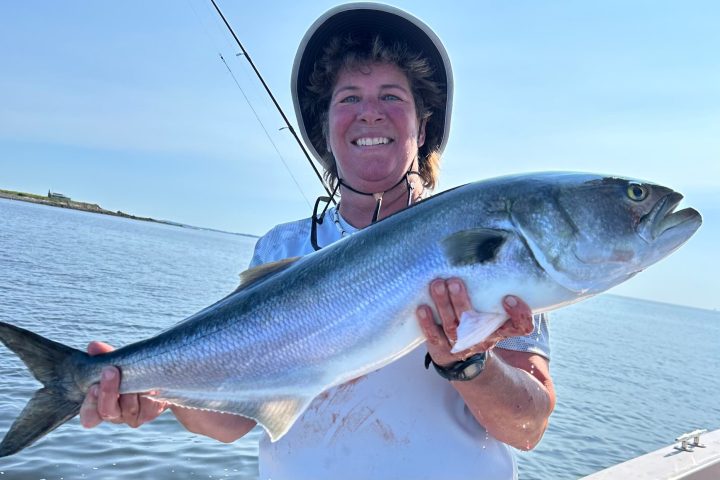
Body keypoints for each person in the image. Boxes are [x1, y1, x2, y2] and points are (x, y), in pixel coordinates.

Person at [80, 4, 556, 479]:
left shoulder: (483, 244)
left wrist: (471, 363)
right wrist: (154, 391)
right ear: (325, 129)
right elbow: (225, 422)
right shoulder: (281, 249)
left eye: (391, 96)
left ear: (422, 127)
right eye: (348, 98)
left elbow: (528, 425)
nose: (370, 113)